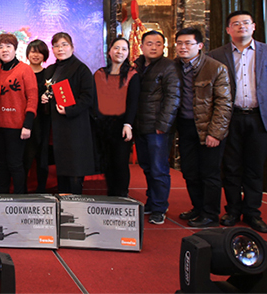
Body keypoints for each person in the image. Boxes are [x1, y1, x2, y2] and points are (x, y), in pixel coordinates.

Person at [208, 10, 267, 233]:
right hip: (230, 117)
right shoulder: (216, 55)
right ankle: (232, 210)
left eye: (246, 23)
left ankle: (252, 212)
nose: (242, 26)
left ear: (254, 26)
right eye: (236, 24)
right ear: (228, 29)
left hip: (259, 118)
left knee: (255, 167)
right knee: (231, 167)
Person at [174, 27, 232, 228]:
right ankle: (197, 208)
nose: (183, 47)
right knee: (189, 171)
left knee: (209, 173)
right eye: (179, 43)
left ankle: (210, 214)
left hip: (208, 128)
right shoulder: (174, 66)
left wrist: (215, 133)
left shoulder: (216, 68)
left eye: (188, 43)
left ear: (199, 46)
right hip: (185, 126)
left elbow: (224, 104)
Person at [134, 30, 180, 225]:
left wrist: (164, 125)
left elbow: (173, 97)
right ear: (142, 46)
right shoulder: (137, 66)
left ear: (164, 47)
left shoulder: (169, 66)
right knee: (146, 167)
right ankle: (152, 201)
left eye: (158, 44)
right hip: (140, 126)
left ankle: (160, 207)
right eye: (149, 43)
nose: (153, 47)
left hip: (158, 128)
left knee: (159, 168)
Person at [41, 32, 95, 195]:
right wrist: (45, 98)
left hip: (75, 126)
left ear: (72, 47)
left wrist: (70, 109)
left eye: (64, 45)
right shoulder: (50, 70)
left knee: (75, 168)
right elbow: (50, 92)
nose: (60, 49)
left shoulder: (81, 69)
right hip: (57, 128)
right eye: (56, 46)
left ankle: (75, 204)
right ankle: (62, 202)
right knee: (62, 167)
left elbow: (88, 97)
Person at [0, 34, 38, 194]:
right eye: (0, 47)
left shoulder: (25, 69)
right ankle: (3, 198)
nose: (4, 50)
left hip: (17, 127)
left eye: (8, 46)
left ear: (15, 49)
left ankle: (20, 200)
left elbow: (32, 98)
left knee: (15, 164)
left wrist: (28, 124)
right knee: (1, 164)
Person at [92, 37, 139, 197]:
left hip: (122, 126)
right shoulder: (99, 74)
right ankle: (111, 196)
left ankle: (121, 196)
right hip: (102, 126)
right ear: (110, 51)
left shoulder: (132, 75)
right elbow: (94, 100)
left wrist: (128, 124)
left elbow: (133, 102)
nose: (120, 52)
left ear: (128, 53)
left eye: (124, 49)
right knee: (107, 163)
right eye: (116, 48)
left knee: (120, 163)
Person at [23, 39, 51, 193]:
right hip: (26, 119)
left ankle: (41, 190)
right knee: (25, 155)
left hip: (44, 119)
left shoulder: (49, 74)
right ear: (27, 54)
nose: (36, 55)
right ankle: (22, 190)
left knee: (42, 156)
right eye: (33, 51)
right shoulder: (22, 72)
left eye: (40, 52)